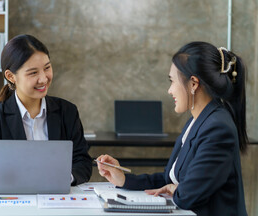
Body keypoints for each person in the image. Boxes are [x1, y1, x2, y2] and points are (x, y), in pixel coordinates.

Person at [97, 41, 248, 216]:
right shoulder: (197, 121)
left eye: (172, 81)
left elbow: (188, 195)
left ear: (193, 84)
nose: (170, 90)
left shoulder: (217, 128)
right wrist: (124, 179)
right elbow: (169, 179)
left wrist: (176, 189)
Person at [0, 34, 92, 185]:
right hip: (16, 202)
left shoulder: (67, 112)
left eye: (47, 68)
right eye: (33, 73)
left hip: (57, 200)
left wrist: (64, 179)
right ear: (11, 76)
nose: (44, 78)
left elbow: (82, 162)